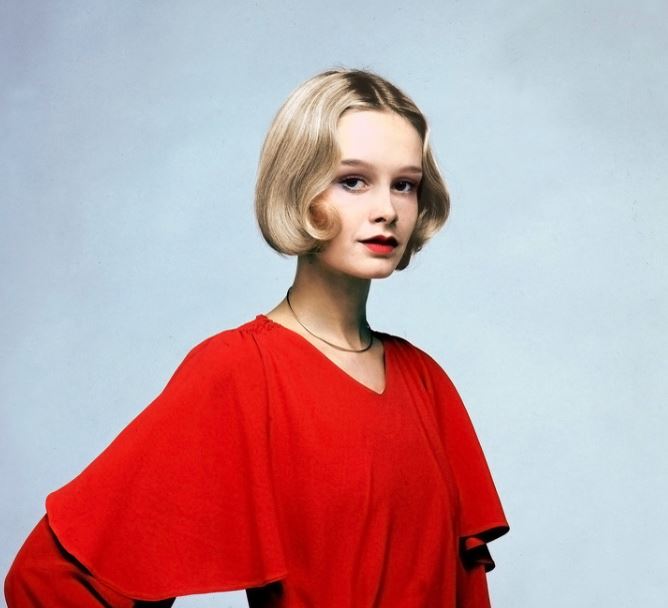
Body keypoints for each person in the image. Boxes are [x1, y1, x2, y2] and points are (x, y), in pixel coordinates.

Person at [4, 68, 509, 607]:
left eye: (403, 184)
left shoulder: (426, 382)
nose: (386, 209)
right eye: (353, 181)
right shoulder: (242, 370)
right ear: (297, 187)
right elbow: (46, 578)